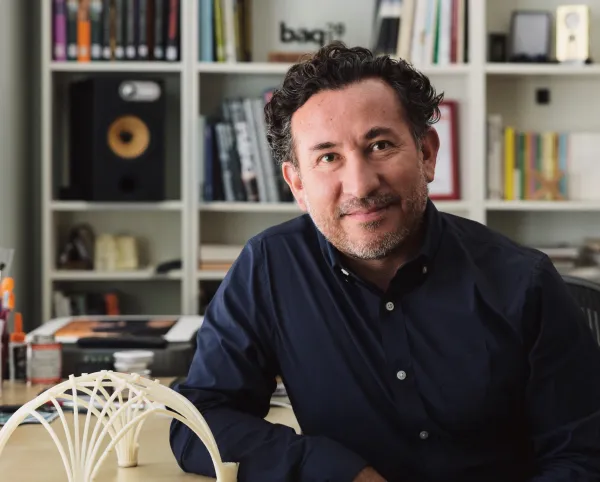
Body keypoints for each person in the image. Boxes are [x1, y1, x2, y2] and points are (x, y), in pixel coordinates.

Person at [170, 42, 600, 481]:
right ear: (297, 184)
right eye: (328, 157)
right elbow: (197, 423)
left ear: (427, 154)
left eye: (379, 145)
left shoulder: (523, 281)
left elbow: (583, 457)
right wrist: (333, 470)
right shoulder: (270, 267)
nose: (359, 184)